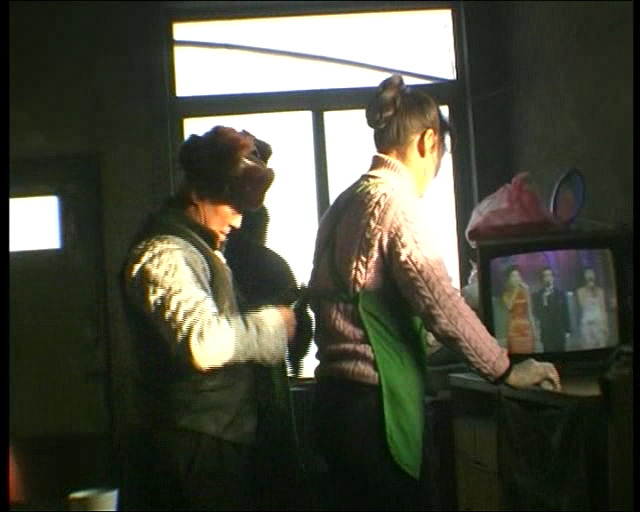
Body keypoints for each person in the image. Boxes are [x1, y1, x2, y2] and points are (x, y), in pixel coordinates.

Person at [307, 75, 561, 512]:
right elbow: (440, 303)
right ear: (427, 141)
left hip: (332, 402)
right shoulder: (395, 204)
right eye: (440, 154)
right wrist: (505, 369)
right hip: (374, 409)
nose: (436, 169)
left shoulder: (344, 202)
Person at [118, 125, 300, 511]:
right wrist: (273, 327)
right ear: (199, 193)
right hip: (190, 446)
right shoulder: (165, 255)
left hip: (212, 440)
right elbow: (201, 342)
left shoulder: (201, 249)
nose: (237, 222)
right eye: (231, 207)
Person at [532, 266, 571, 352]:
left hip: (559, 331)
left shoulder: (560, 294)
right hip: (547, 333)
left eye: (550, 275)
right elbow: (536, 313)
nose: (548, 278)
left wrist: (567, 330)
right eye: (545, 275)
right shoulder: (538, 295)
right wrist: (544, 301)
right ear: (542, 279)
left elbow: (565, 312)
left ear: (553, 278)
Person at [502, 265, 537, 354]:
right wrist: (516, 290)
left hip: (526, 328)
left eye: (518, 276)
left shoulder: (525, 291)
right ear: (509, 279)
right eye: (513, 276)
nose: (516, 278)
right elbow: (509, 306)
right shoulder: (506, 293)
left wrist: (534, 331)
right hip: (514, 328)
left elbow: (530, 312)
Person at [576, 266, 609, 348]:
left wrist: (606, 325)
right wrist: (588, 290)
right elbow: (582, 306)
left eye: (591, 273)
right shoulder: (580, 291)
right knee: (589, 346)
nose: (590, 275)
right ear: (584, 276)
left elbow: (603, 308)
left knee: (602, 345)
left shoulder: (600, 290)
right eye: (587, 273)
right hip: (587, 324)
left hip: (599, 322)